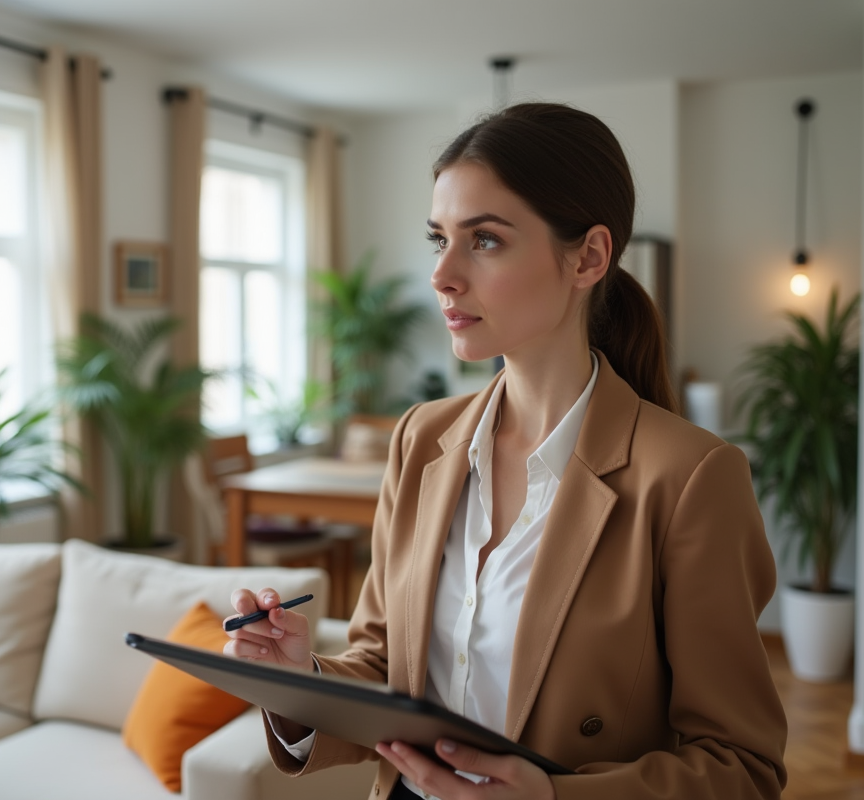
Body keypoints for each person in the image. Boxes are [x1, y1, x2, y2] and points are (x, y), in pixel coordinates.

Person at [224, 102, 787, 800]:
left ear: (587, 257)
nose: (443, 275)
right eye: (439, 240)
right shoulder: (420, 439)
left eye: (484, 240)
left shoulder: (691, 477)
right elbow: (386, 667)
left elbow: (743, 767)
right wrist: (297, 680)